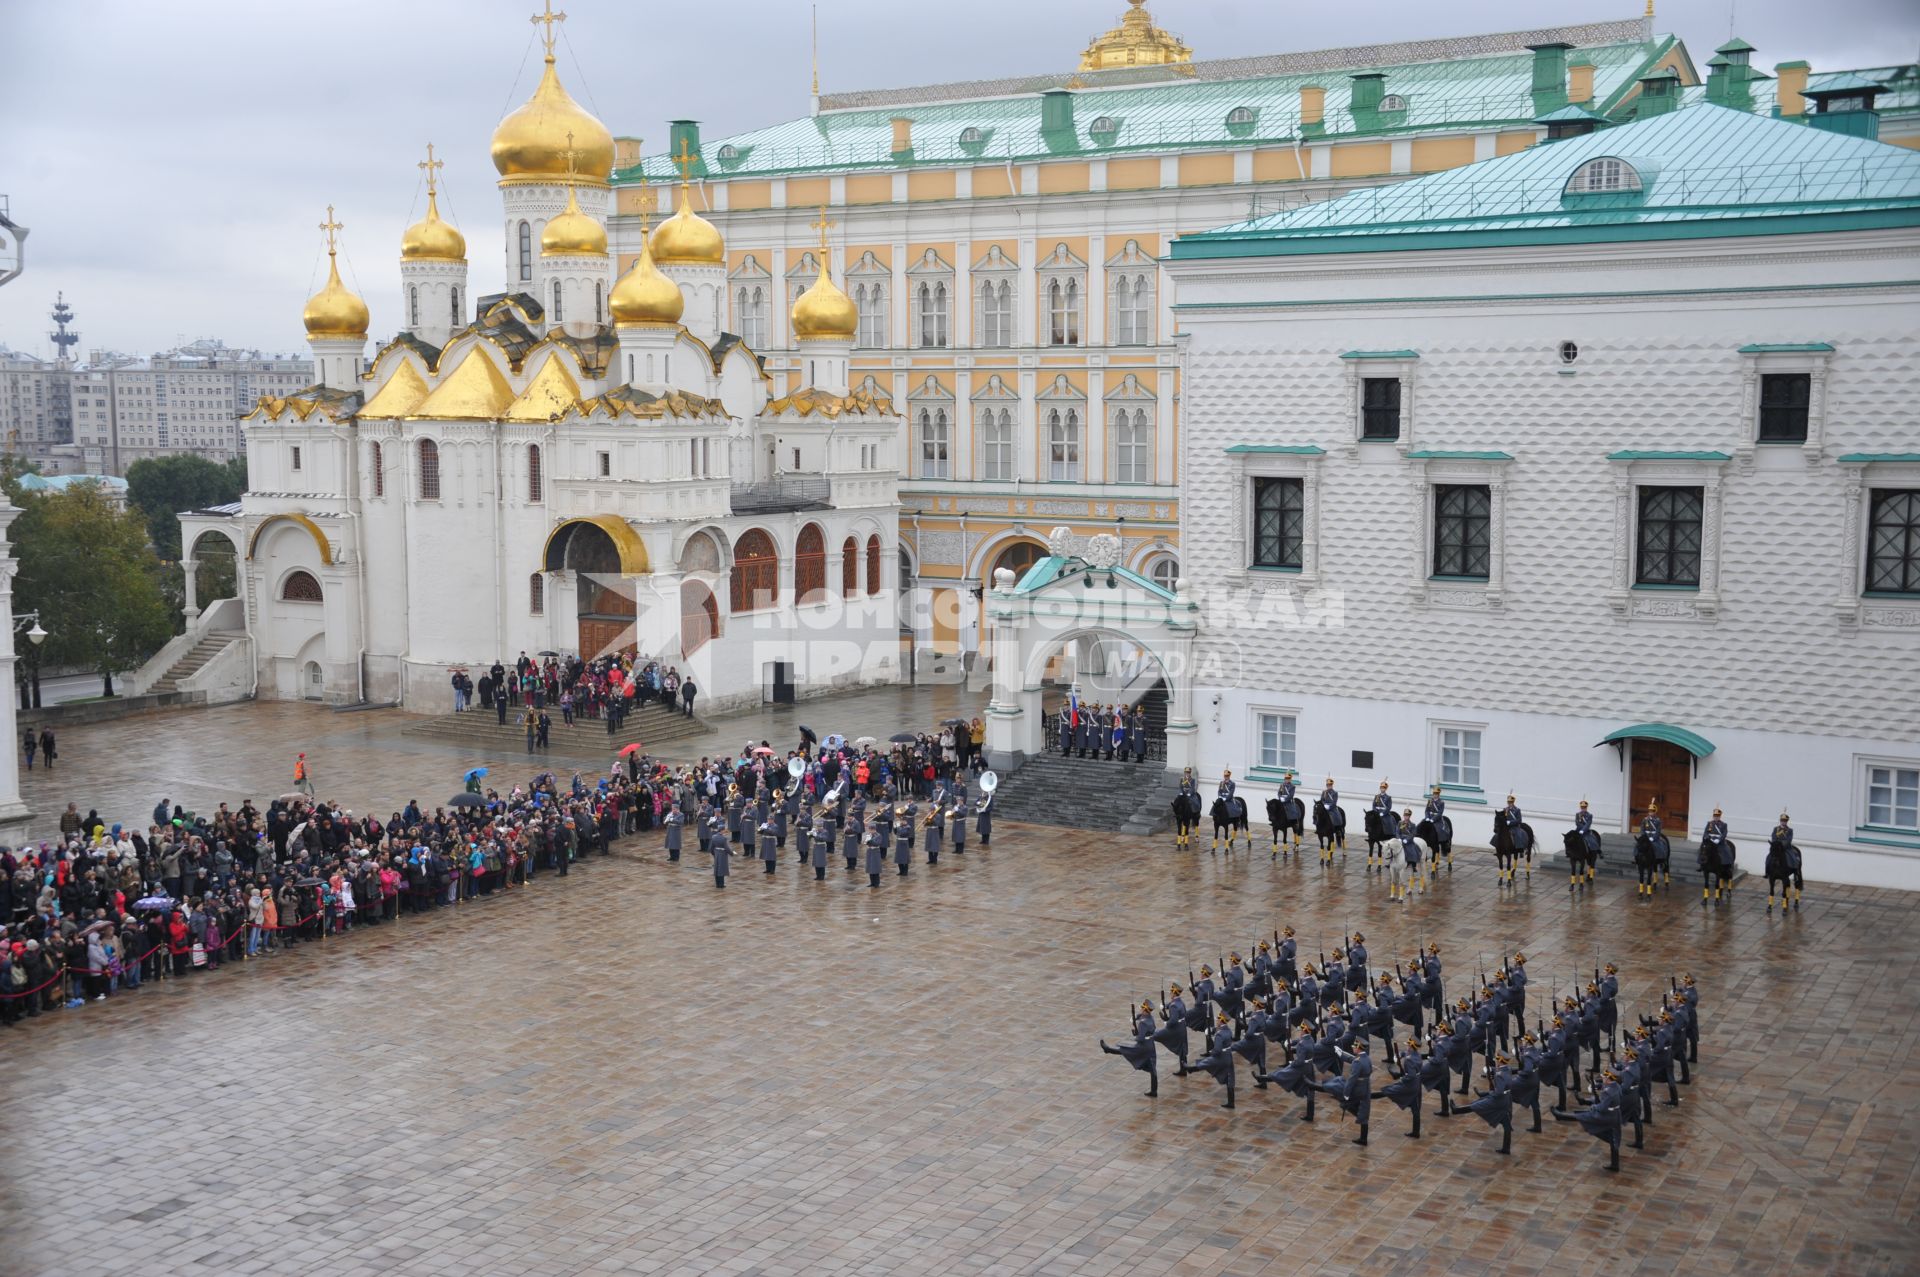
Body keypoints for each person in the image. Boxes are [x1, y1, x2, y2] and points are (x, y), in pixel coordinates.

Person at [1099, 1000, 1161, 1098]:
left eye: (1141, 1008)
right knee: (1153, 1069)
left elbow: (1140, 1038)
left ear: (1145, 1010)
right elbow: (1144, 1020)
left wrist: (1135, 1034)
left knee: (1126, 1049)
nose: (1140, 1009)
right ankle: (1154, 1091)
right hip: (1150, 1045)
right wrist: (1135, 1017)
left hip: (1143, 1046)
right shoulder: (1150, 1018)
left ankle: (1108, 1049)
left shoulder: (1143, 1023)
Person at [1766, 811, 1803, 911]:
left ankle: (1796, 870)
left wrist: (1782, 845)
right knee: (1768, 858)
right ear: (1780, 821)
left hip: (1786, 848)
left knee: (1793, 858)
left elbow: (1789, 840)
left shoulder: (1789, 830)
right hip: (1776, 847)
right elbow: (1773, 837)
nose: (1783, 822)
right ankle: (1767, 872)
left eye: (1785, 821)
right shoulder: (1776, 829)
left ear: (1787, 821)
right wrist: (1776, 844)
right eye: (1782, 820)